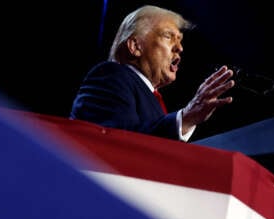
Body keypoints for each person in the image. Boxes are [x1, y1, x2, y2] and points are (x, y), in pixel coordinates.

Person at [69, 5, 235, 141]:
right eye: (168, 36)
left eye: (180, 40)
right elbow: (118, 143)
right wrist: (185, 119)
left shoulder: (151, 96)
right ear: (135, 46)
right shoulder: (110, 76)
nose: (180, 48)